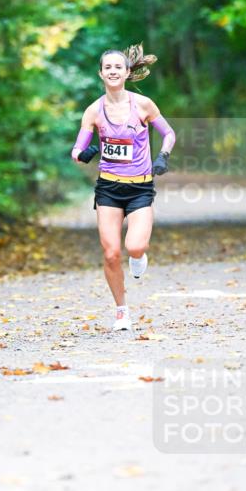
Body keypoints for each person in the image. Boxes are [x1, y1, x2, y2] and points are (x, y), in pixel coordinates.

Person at [71, 45, 175, 332]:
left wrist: (162, 157)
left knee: (135, 246)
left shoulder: (143, 105)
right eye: (108, 68)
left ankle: (139, 257)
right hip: (108, 189)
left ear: (128, 72)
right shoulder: (94, 111)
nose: (113, 71)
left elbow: (169, 133)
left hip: (140, 189)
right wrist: (86, 152)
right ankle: (121, 312)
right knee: (111, 253)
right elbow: (76, 151)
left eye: (119, 67)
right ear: (101, 74)